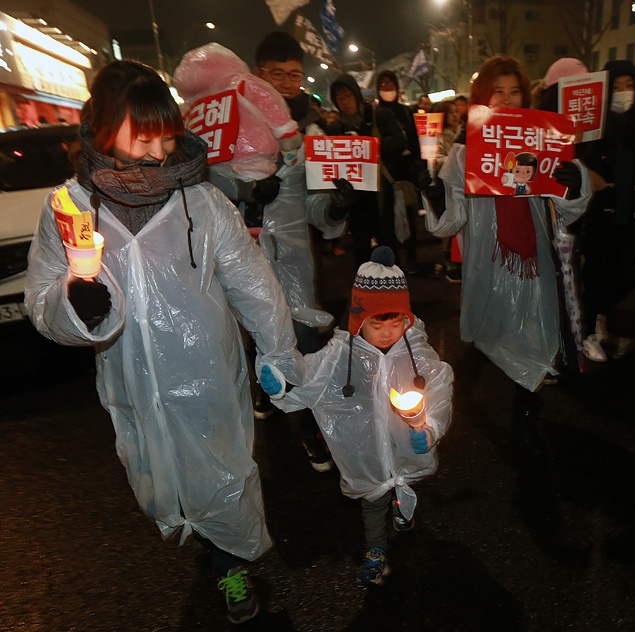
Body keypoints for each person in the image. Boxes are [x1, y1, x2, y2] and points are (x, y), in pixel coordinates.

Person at [24, 60, 305, 624]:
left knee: (224, 471)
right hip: (133, 376)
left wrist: (278, 351)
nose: (157, 150)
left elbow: (253, 282)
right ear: (103, 127)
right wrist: (74, 304)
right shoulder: (70, 207)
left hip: (207, 372)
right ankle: (205, 539)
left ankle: (230, 563)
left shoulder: (201, 202)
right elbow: (40, 297)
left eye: (166, 135)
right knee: (161, 473)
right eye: (142, 135)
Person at [419, 55, 592, 455]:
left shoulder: (543, 139)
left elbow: (568, 208)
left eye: (516, 91)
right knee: (494, 328)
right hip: (488, 259)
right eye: (499, 91)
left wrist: (573, 183)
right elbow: (451, 218)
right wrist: (435, 194)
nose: (508, 100)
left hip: (534, 257)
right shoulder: (464, 154)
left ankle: (527, 411)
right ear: (483, 96)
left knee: (534, 330)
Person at [257, 247, 453, 587]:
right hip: (366, 454)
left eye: (397, 322)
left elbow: (439, 389)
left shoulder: (416, 351)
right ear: (360, 319)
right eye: (379, 324)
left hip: (403, 444)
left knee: (404, 480)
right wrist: (282, 385)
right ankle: (375, 550)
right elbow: (310, 378)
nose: (389, 332)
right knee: (372, 500)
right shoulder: (340, 355)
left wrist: (432, 427)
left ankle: (401, 506)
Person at [251, 31, 340, 473]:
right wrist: (245, 192)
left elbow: (318, 203)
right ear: (256, 75)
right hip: (242, 252)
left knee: (303, 336)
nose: (286, 84)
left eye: (294, 75)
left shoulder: (311, 127)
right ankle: (263, 386)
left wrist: (335, 203)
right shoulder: (236, 125)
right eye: (276, 74)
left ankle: (310, 428)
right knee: (255, 329)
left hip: (294, 253)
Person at [574, 60, 635, 363]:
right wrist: (587, 171)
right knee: (595, 276)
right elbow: (571, 157)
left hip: (632, 215)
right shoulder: (592, 125)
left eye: (628, 86)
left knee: (626, 276)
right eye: (616, 86)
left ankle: (599, 313)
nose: (623, 93)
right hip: (600, 215)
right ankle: (588, 331)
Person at [326, 73, 409, 267]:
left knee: (386, 238)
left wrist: (368, 145)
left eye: (347, 95)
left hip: (381, 192)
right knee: (360, 243)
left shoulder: (378, 115)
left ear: (356, 94)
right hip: (355, 194)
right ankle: (364, 287)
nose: (344, 102)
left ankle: (393, 282)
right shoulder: (336, 127)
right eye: (339, 98)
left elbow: (399, 142)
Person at [376, 69, 423, 273]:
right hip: (385, 175)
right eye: (383, 85)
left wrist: (416, 164)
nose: (387, 88)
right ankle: (393, 261)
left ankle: (411, 256)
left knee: (409, 215)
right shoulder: (374, 115)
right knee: (387, 219)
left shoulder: (406, 111)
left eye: (390, 84)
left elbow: (414, 141)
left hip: (405, 173)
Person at [431, 99, 463, 283]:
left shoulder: (462, 132)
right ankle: (449, 261)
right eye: (451, 112)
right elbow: (435, 160)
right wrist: (453, 161)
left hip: (463, 184)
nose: (455, 115)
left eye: (456, 111)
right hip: (447, 185)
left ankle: (460, 259)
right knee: (449, 221)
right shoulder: (439, 136)